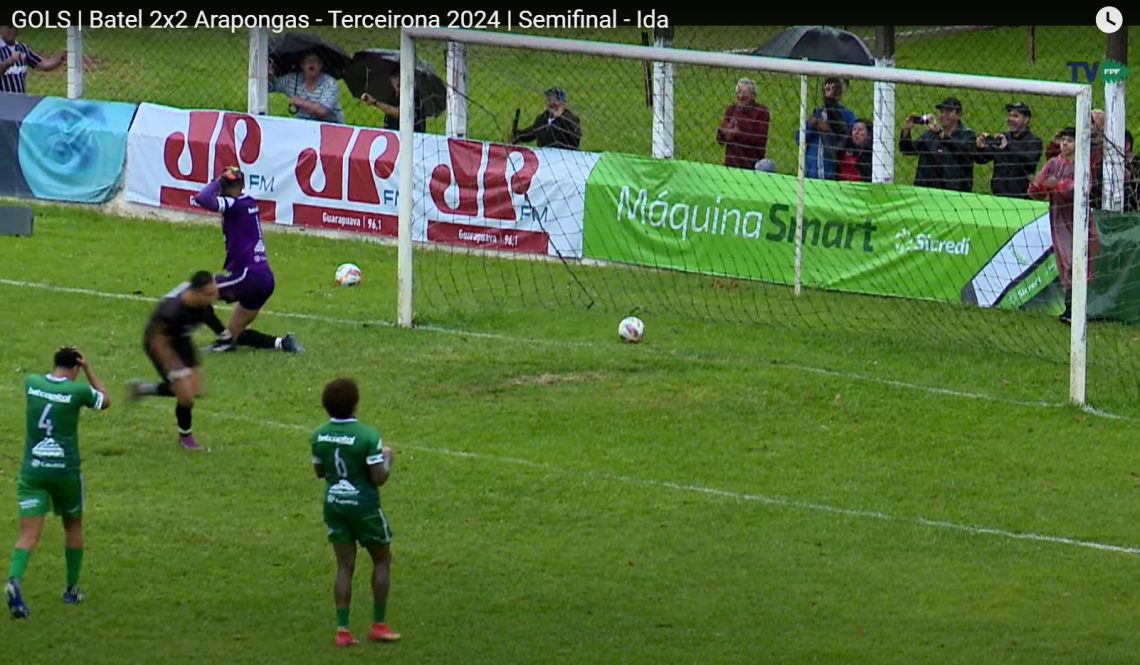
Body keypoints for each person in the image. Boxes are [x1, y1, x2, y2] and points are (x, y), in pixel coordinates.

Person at [6, 346, 110, 619]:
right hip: (65, 472)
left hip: (33, 471)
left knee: (28, 534)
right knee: (73, 525)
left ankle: (14, 579)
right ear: (75, 367)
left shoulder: (32, 384)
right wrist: (89, 370)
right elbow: (105, 400)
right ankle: (71, 589)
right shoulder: (78, 391)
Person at [310, 378, 400, 648]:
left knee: (344, 567)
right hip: (364, 507)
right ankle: (379, 626)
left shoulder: (318, 435)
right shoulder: (368, 436)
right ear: (355, 404)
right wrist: (387, 459)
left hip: (335, 503)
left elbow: (319, 472)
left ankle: (343, 631)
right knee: (382, 561)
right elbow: (378, 478)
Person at [192, 166, 303, 355]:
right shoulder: (248, 202)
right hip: (265, 279)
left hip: (249, 276)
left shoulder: (236, 205)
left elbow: (202, 198)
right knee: (235, 334)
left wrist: (218, 182)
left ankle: (209, 340)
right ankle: (283, 343)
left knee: (198, 293)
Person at [126, 271, 221, 451]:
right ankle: (186, 438)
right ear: (196, 292)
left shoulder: (203, 303)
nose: (214, 296)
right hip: (161, 344)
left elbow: (210, 318)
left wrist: (225, 335)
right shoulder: (173, 310)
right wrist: (173, 366)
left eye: (215, 291)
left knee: (196, 390)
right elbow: (157, 339)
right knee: (186, 398)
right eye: (210, 293)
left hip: (182, 340)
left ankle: (143, 388)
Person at [1028, 127, 1101, 323]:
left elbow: (1081, 189)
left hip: (1080, 218)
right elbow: (1035, 191)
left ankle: (1079, 309)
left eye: (1069, 140)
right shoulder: (1052, 163)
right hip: (1059, 218)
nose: (1064, 144)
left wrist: (1057, 184)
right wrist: (1038, 185)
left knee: (1081, 261)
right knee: (1066, 262)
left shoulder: (1083, 164)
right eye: (1063, 140)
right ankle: (1070, 309)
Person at [899, 97, 977, 192]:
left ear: (958, 115)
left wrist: (941, 134)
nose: (943, 115)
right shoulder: (930, 134)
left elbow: (963, 151)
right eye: (942, 112)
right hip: (925, 192)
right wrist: (906, 131)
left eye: (948, 112)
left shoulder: (967, 135)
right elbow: (907, 150)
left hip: (954, 193)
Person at [973, 102, 1043, 198]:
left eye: (1015, 116)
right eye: (1010, 115)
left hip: (1022, 198)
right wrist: (979, 147)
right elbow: (981, 159)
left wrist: (1008, 147)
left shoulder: (1034, 141)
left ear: (1026, 120)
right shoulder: (1003, 137)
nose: (1010, 119)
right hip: (998, 196)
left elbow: (1030, 161)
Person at [798, 77, 857, 180]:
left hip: (832, 174)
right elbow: (799, 139)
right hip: (812, 174)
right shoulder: (817, 115)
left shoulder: (847, 115)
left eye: (832, 89)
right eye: (826, 89)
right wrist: (810, 126)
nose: (829, 93)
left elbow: (849, 141)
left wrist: (829, 131)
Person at [268, 52, 345, 124]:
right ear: (302, 65)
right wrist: (269, 74)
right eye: (308, 61)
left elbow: (323, 111)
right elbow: (271, 86)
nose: (312, 63)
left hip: (331, 123)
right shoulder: (292, 80)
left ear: (321, 65)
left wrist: (301, 103)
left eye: (316, 61)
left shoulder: (329, 83)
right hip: (303, 122)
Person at [716, 78, 770, 170]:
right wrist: (724, 134)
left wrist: (738, 134)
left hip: (752, 165)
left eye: (745, 93)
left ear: (753, 96)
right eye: (739, 92)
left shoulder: (761, 112)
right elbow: (720, 140)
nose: (741, 96)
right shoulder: (731, 110)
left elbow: (759, 140)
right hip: (731, 165)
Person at [0, 23, 65, 94]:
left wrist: (61, 57)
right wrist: (10, 61)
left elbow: (43, 64)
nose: (12, 30)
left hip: (20, 99)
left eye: (15, 27)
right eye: (9, 27)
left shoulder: (22, 48)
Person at [512, 87, 581, 150]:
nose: (551, 103)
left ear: (563, 104)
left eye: (555, 100)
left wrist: (561, 117)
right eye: (549, 100)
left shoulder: (570, 119)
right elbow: (531, 133)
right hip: (544, 158)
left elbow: (575, 138)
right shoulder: (542, 119)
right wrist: (517, 135)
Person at [361, 74, 427, 133]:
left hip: (412, 138)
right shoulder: (393, 96)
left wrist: (375, 102)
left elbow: (399, 113)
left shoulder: (413, 96)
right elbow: (389, 122)